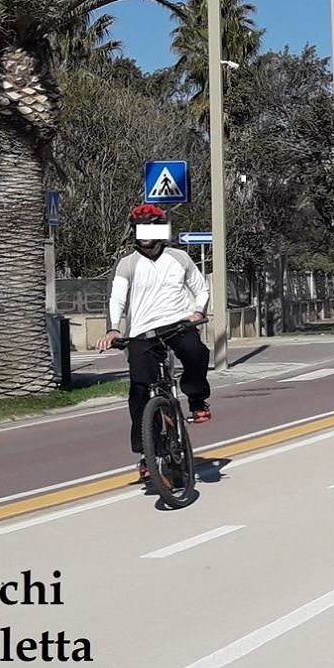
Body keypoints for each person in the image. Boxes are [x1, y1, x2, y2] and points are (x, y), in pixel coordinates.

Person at [103, 204, 211, 482]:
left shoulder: (179, 258)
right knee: (139, 390)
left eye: (150, 227)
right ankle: (146, 453)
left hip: (178, 324)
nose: (145, 234)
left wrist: (198, 312)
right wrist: (113, 329)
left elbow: (200, 289)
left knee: (196, 352)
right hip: (141, 332)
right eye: (139, 228)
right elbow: (117, 298)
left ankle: (197, 400)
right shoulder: (127, 264)